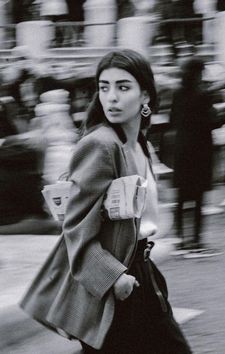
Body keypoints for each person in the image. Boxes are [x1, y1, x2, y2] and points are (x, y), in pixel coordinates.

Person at [20, 49, 192, 354]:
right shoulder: (100, 145)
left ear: (145, 97)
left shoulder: (139, 143)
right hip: (118, 283)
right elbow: (76, 228)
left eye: (123, 87)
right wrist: (112, 277)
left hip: (143, 272)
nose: (111, 97)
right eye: (104, 87)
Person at [170, 57, 225, 255]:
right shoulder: (203, 95)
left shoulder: (178, 93)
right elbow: (211, 121)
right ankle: (195, 241)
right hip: (200, 152)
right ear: (198, 73)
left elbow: (173, 120)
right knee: (197, 199)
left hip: (181, 151)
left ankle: (180, 240)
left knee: (182, 197)